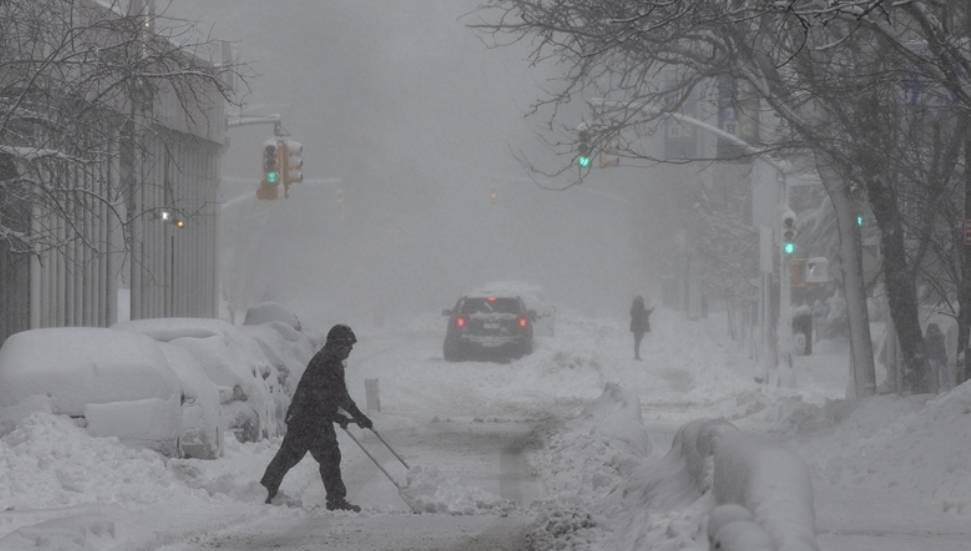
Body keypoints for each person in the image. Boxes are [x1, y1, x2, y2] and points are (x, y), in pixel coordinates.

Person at [260, 324, 373, 512]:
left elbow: (329, 397)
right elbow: (336, 397)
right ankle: (334, 499)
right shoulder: (328, 363)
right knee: (302, 457)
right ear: (338, 345)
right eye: (348, 346)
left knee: (303, 457)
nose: (350, 350)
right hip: (307, 420)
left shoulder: (328, 360)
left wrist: (342, 417)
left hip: (310, 418)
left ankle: (264, 491)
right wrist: (356, 416)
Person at [629, 295, 654, 361]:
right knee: (638, 341)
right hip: (639, 327)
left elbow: (641, 314)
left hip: (637, 327)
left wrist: (649, 311)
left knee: (637, 341)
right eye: (642, 300)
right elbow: (643, 314)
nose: (643, 301)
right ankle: (637, 355)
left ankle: (636, 355)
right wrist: (650, 311)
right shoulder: (639, 307)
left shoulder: (634, 308)